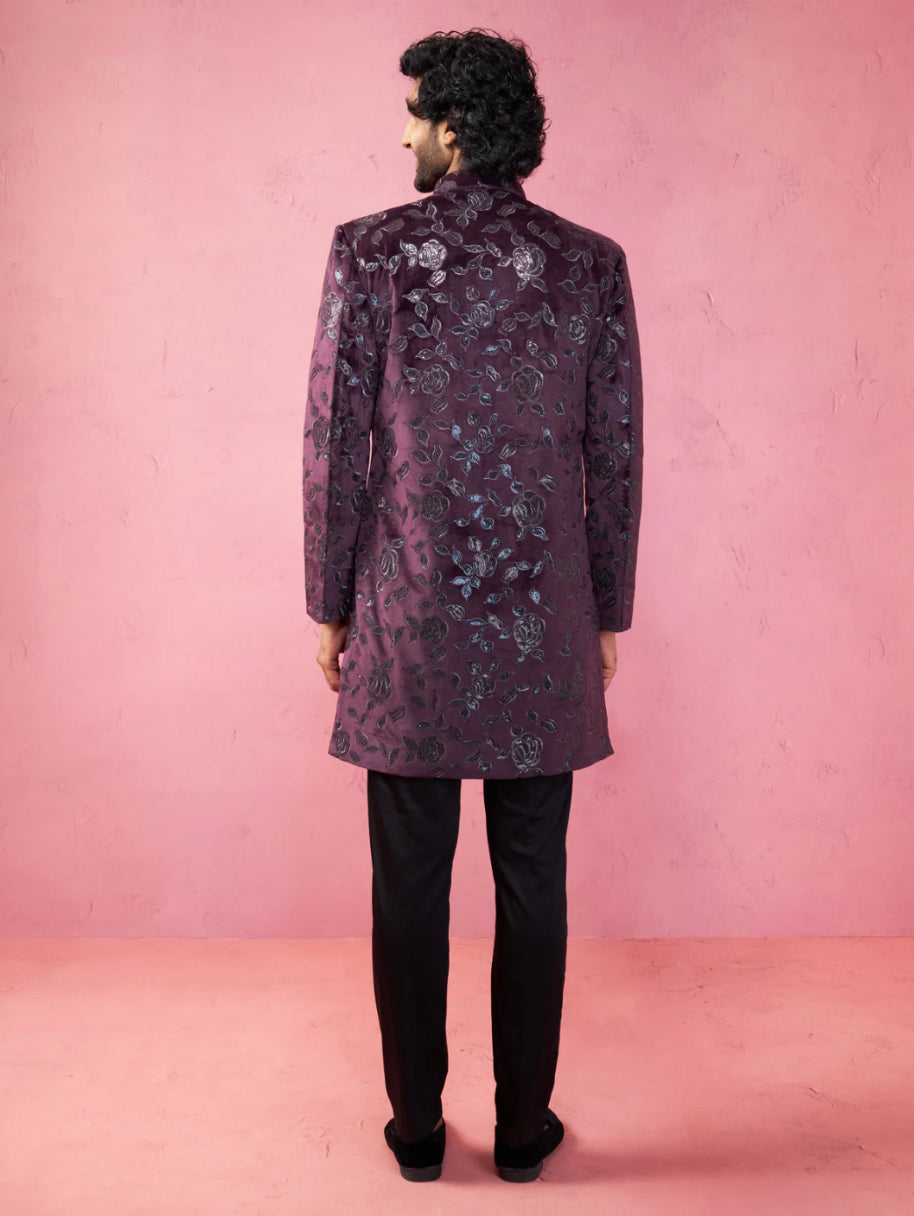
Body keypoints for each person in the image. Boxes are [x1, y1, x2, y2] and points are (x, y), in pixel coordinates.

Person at [302, 29, 643, 1183]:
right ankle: (522, 1131)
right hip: (545, 619)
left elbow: (333, 444)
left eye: (414, 113)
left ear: (453, 127)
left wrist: (329, 599)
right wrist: (606, 607)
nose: (403, 132)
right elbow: (614, 452)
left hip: (406, 617)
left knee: (406, 886)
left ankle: (413, 1130)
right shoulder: (589, 264)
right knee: (532, 881)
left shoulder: (369, 251)